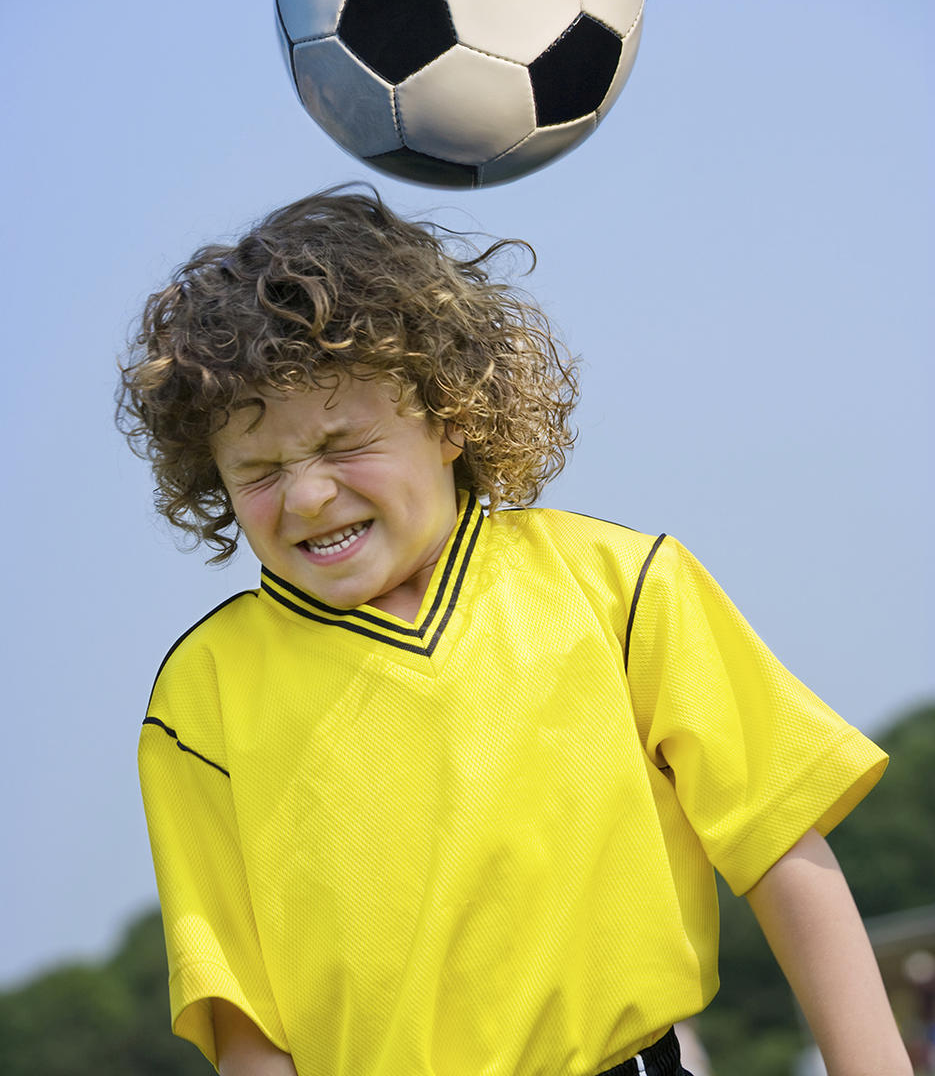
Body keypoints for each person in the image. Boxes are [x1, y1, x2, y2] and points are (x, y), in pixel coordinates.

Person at [118, 187, 911, 1076]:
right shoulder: (203, 697)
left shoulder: (619, 588)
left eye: (341, 445)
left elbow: (779, 850)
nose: (306, 495)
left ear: (449, 414)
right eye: (259, 469)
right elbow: (246, 1022)